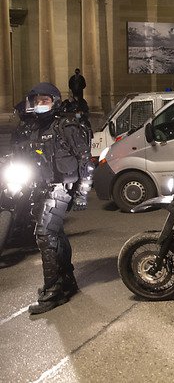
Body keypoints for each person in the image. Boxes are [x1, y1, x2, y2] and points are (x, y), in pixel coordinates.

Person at [19, 82, 93, 315]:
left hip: (61, 187)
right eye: (37, 100)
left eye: (45, 100)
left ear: (55, 101)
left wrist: (82, 193)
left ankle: (53, 290)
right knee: (56, 234)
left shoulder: (65, 126)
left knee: (45, 235)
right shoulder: (35, 128)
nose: (40, 105)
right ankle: (67, 280)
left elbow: (85, 159)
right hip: (41, 188)